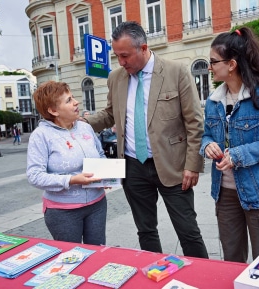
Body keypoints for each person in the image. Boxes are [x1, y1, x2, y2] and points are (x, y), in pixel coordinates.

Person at [85, 21, 208, 258]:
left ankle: (203, 277)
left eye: (125, 56)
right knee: (146, 231)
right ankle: (156, 273)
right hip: (133, 167)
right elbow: (110, 113)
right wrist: (81, 122)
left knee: (188, 231)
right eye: (117, 56)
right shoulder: (116, 78)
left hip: (172, 166)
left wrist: (193, 165)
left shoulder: (176, 71)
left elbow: (194, 122)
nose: (121, 62)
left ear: (143, 48)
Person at [199, 27, 259, 263]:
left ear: (231, 64)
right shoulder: (214, 101)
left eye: (213, 62)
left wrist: (239, 155)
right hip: (225, 194)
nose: (210, 67)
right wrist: (208, 145)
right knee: (231, 260)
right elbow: (206, 135)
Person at [26, 81, 107, 245]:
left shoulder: (85, 127)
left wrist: (105, 176)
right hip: (63, 211)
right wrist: (71, 180)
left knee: (98, 253)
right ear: (53, 110)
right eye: (69, 100)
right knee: (71, 258)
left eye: (73, 98)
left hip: (97, 204)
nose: (76, 102)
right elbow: (34, 176)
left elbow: (100, 154)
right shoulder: (41, 136)